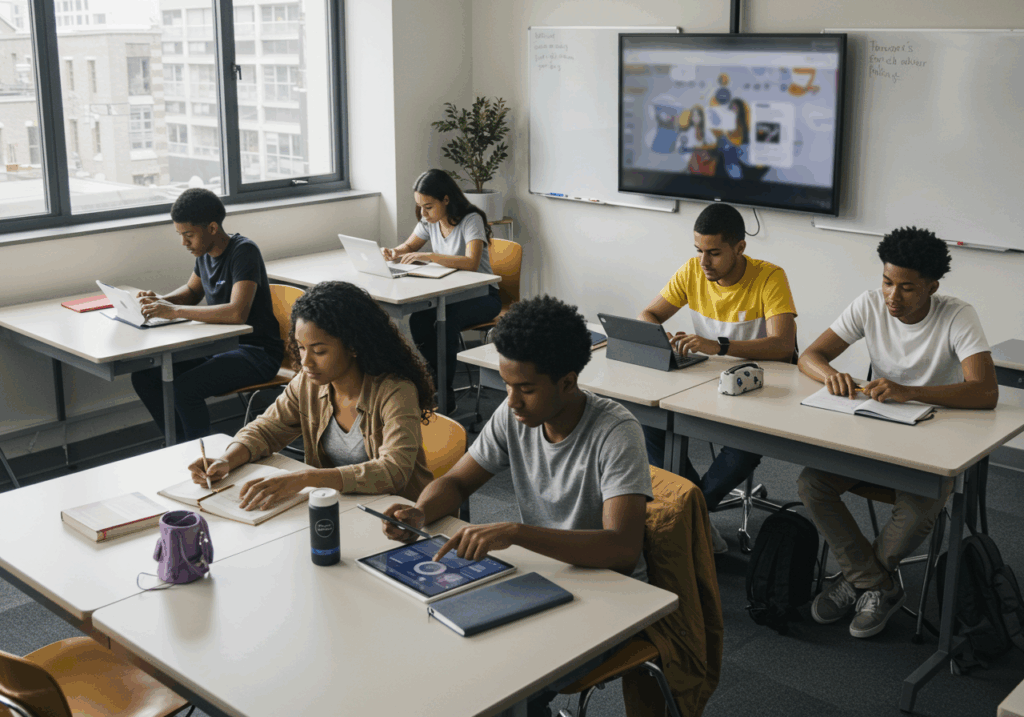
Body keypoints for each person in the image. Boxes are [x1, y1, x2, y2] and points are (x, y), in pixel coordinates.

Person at [377, 295, 653, 717]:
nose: (512, 401)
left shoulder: (616, 433)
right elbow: (455, 481)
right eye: (507, 386)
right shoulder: (515, 417)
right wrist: (421, 512)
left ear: (567, 381)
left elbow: (621, 550)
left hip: (608, 597)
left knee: (496, 678)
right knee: (451, 653)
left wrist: (517, 532)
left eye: (525, 388)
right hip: (542, 576)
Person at [798, 226, 998, 639]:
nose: (892, 296)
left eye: (907, 287)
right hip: (877, 436)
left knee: (918, 510)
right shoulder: (869, 305)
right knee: (811, 483)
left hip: (936, 447)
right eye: (887, 282)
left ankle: (858, 580)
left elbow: (985, 391)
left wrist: (909, 392)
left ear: (932, 286)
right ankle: (879, 585)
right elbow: (810, 355)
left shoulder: (957, 315)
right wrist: (831, 374)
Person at [188, 281, 435, 507]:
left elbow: (393, 472)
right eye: (301, 348)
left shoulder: (395, 391)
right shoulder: (308, 383)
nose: (306, 362)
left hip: (397, 516)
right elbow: (265, 430)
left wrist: (307, 478)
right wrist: (226, 460)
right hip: (341, 507)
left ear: (353, 345)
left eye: (319, 351)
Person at [638, 202, 797, 553]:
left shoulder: (770, 276)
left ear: (740, 248)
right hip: (707, 381)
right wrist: (659, 336)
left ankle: (691, 513)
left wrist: (719, 345)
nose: (704, 262)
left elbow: (784, 347)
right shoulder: (692, 272)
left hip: (761, 387)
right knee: (649, 420)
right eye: (698, 251)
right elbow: (649, 313)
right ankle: (697, 517)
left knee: (741, 448)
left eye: (714, 253)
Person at [131, 188, 283, 441]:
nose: (184, 243)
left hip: (257, 353)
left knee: (184, 389)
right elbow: (192, 291)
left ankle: (199, 455)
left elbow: (237, 313)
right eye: (180, 235)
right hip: (221, 346)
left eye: (189, 235)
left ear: (212, 228)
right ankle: (179, 445)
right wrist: (159, 300)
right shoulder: (204, 253)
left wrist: (173, 310)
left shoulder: (244, 252)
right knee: (145, 377)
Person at [383, 169, 501, 408]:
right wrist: (395, 252)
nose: (423, 213)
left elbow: (471, 262)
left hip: (484, 295)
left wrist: (430, 256)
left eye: (428, 206)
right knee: (418, 320)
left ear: (446, 199)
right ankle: (437, 381)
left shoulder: (471, 219)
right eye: (420, 207)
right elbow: (408, 245)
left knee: (444, 324)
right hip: (451, 294)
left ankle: (443, 393)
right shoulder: (430, 221)